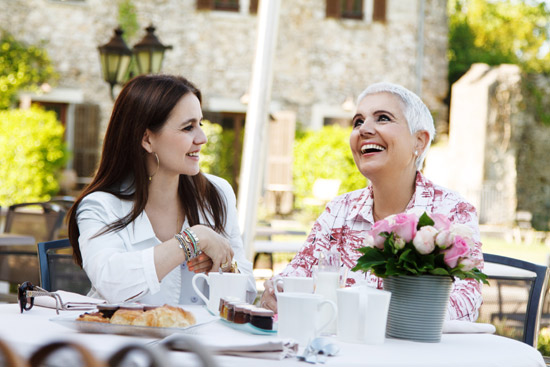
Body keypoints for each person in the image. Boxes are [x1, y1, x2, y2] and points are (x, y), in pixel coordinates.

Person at [260, 82, 483, 322]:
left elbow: (467, 297)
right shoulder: (339, 210)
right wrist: (278, 290)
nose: (364, 129)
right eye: (358, 122)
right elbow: (296, 274)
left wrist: (390, 315)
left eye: (383, 118)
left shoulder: (451, 210)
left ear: (419, 141)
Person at [67, 74, 256, 305]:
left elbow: (247, 293)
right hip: (124, 338)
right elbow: (111, 282)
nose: (203, 138)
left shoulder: (216, 194)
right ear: (147, 139)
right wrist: (193, 240)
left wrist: (225, 266)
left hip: (200, 340)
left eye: (200, 124)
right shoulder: (99, 206)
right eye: (188, 127)